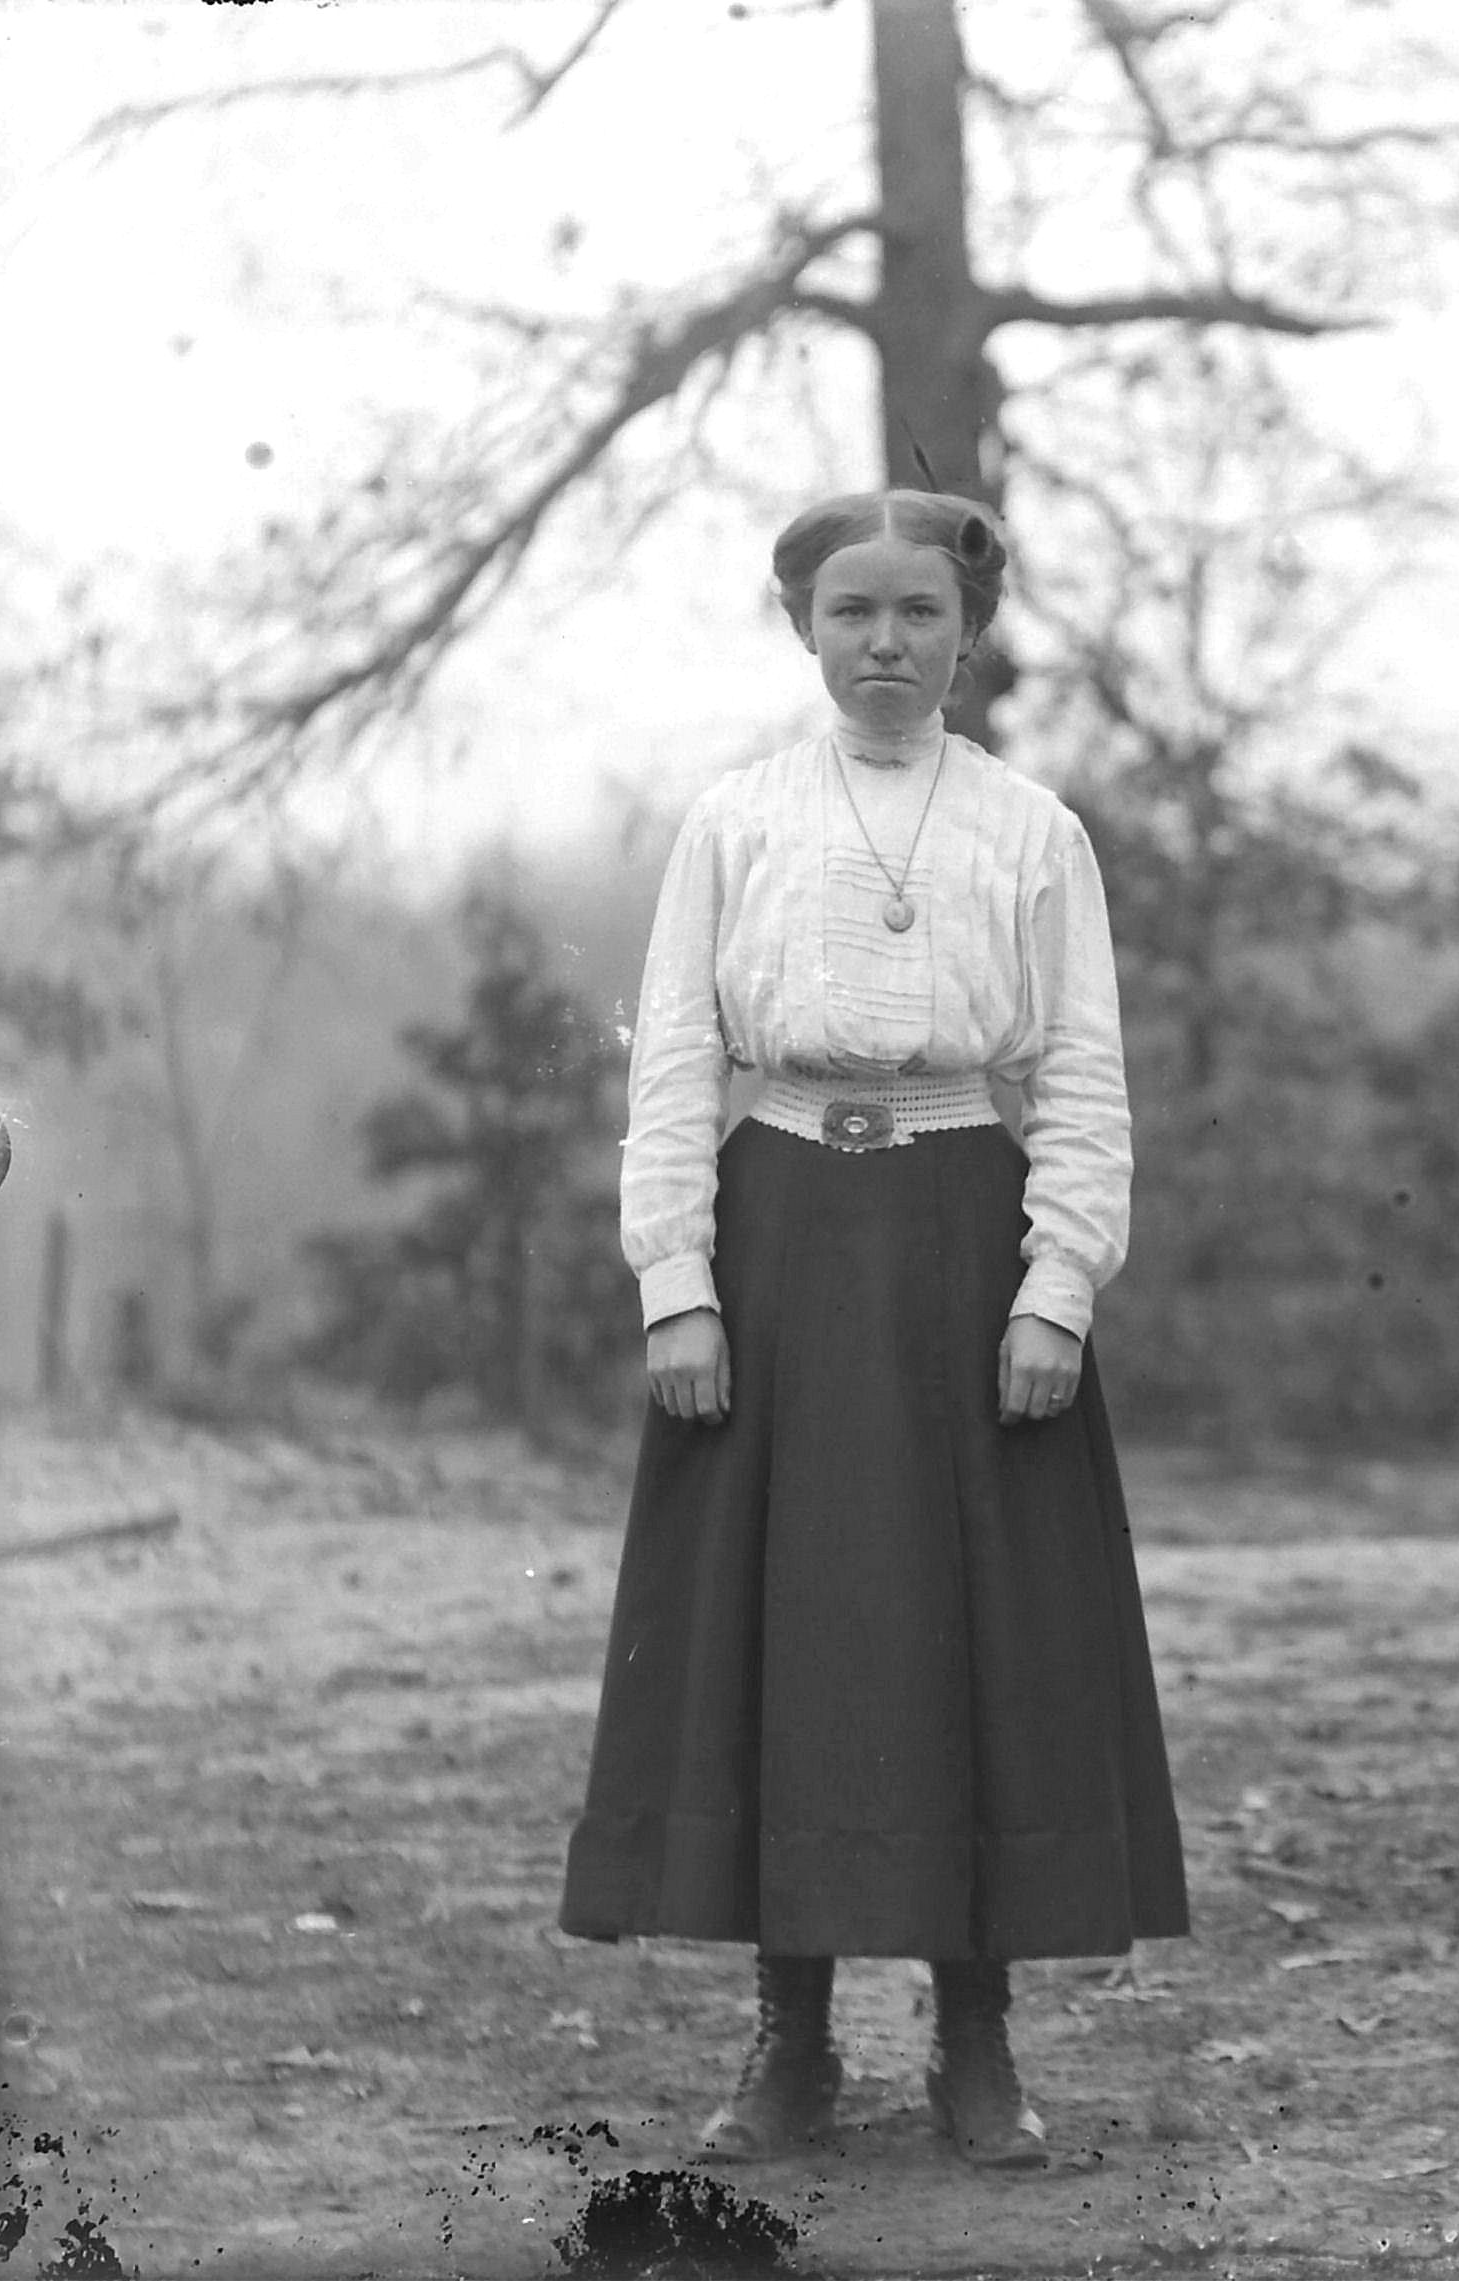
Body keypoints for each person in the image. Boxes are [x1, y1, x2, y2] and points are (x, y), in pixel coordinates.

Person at [558, 488, 1188, 2169]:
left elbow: (1082, 1076)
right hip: (779, 1233)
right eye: (853, 611)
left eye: (920, 613)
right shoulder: (738, 819)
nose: (887, 643)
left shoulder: (1034, 832)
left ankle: (977, 2045)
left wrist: (1056, 1291)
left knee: (978, 1633)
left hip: (964, 1236)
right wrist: (679, 1284)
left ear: (967, 636)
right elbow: (675, 1061)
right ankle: (793, 2042)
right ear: (804, 627)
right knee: (794, 1635)